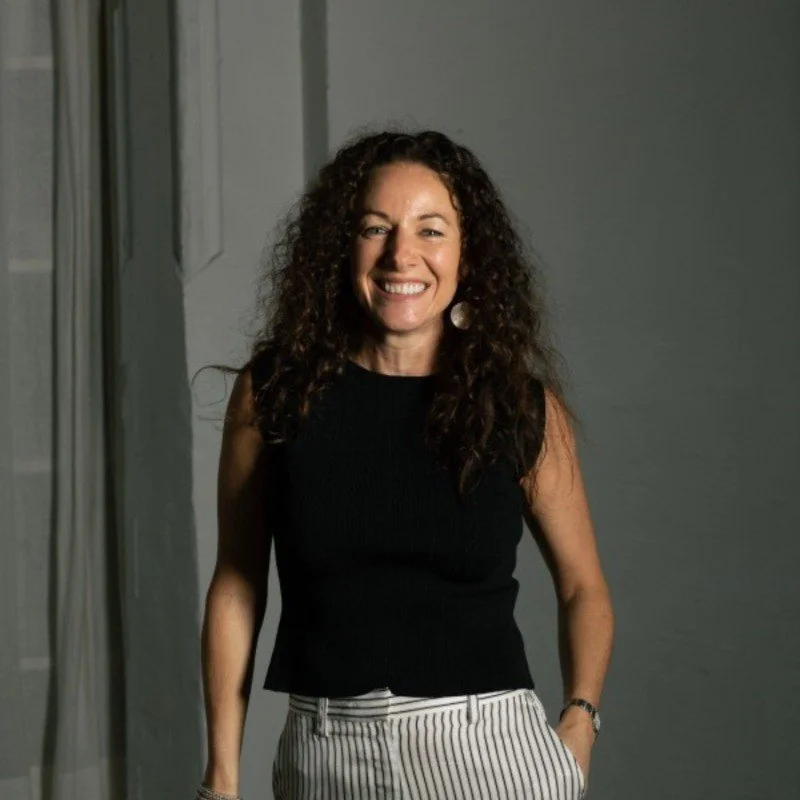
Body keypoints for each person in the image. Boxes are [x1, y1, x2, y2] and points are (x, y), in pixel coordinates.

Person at [196, 128, 614, 800]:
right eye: (375, 228)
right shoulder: (275, 392)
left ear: (468, 253)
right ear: (342, 246)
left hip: (488, 754)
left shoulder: (518, 407)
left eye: (431, 230)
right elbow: (237, 584)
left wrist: (581, 719)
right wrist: (222, 774)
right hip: (324, 756)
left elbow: (583, 588)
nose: (401, 255)